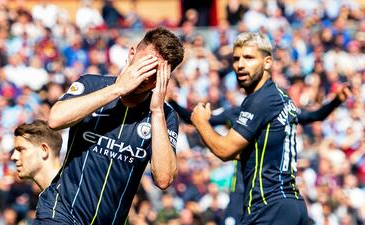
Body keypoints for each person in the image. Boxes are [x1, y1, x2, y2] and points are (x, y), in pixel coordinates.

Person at [35, 27, 184, 225]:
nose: (147, 76)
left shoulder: (165, 116)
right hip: (60, 213)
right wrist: (118, 89)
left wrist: (156, 111)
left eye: (156, 73)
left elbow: (164, 179)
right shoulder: (91, 84)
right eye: (145, 65)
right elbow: (55, 120)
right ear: (131, 54)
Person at [169, 82, 351, 224]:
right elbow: (193, 118)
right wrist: (173, 102)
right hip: (241, 189)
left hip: (269, 191)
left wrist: (336, 101)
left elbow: (313, 116)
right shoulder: (234, 113)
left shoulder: (278, 110)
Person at [191, 32, 308, 225]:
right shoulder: (278, 96)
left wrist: (200, 122)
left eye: (249, 58)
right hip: (288, 205)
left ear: (268, 62)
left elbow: (225, 150)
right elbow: (243, 153)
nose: (240, 65)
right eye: (236, 59)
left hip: (269, 206)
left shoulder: (261, 100)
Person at [11, 120, 62, 191]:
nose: (13, 157)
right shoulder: (49, 197)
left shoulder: (75, 194)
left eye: (20, 149)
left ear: (44, 150)